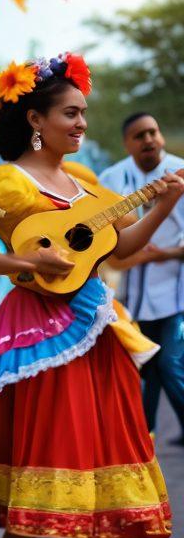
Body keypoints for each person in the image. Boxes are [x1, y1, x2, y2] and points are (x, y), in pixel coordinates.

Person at [0, 54, 180, 538]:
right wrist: (26, 261)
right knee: (49, 455)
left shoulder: (88, 187)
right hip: (39, 335)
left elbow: (120, 251)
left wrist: (166, 205)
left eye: (83, 114)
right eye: (70, 114)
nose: (80, 124)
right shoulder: (3, 182)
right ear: (36, 120)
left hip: (99, 329)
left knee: (107, 458)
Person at [99, 112, 184, 443]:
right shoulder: (110, 178)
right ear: (127, 143)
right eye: (140, 135)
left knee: (168, 362)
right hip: (130, 295)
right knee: (144, 366)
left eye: (153, 132)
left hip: (176, 292)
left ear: (160, 136)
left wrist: (167, 254)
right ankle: (141, 434)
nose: (148, 139)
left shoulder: (179, 172)